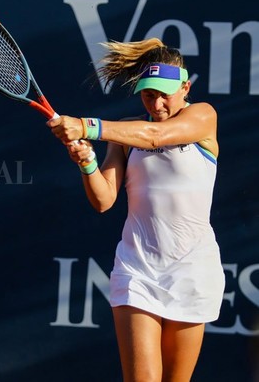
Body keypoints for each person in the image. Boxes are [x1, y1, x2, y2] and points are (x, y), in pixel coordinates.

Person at [48, 38, 225, 382]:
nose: (156, 104)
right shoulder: (126, 134)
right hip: (137, 270)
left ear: (185, 88)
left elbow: (156, 136)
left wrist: (86, 125)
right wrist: (87, 162)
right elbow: (103, 200)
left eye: (165, 94)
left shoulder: (203, 117)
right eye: (148, 95)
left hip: (193, 271)